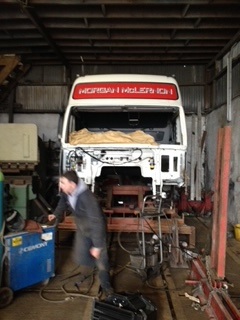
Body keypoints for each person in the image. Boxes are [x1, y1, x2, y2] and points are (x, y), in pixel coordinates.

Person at [48, 170, 113, 297]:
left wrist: (97, 246)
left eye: (63, 182)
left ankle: (106, 286)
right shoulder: (68, 192)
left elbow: (97, 222)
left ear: (72, 184)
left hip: (95, 230)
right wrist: (56, 214)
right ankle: (95, 267)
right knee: (81, 257)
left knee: (101, 261)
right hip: (83, 228)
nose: (60, 185)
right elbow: (63, 202)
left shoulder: (87, 198)